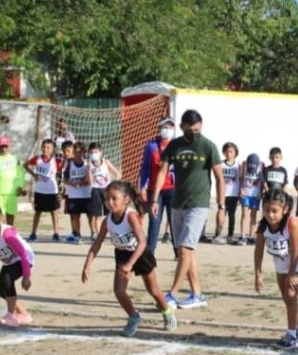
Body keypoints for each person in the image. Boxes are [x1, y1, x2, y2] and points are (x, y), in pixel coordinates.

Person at [148, 109, 225, 310]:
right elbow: (162, 172)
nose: (194, 134)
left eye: (198, 130)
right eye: (191, 130)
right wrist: (154, 199)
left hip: (198, 204)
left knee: (184, 250)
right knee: (188, 252)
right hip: (177, 204)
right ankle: (197, 294)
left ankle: (172, 294)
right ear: (182, 127)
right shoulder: (174, 145)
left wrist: (221, 206)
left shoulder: (208, 146)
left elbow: (219, 178)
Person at [83, 181, 175, 336]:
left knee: (153, 289)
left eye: (114, 198)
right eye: (107, 199)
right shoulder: (107, 221)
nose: (110, 202)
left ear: (125, 199)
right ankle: (133, 316)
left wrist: (131, 263)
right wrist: (87, 265)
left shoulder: (130, 216)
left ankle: (167, 311)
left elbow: (143, 242)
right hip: (122, 255)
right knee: (119, 291)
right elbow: (96, 244)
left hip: (140, 253)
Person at [253, 189, 298, 349]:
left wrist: (292, 274)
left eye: (274, 211)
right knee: (288, 298)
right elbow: (258, 250)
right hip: (281, 264)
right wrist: (258, 274)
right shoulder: (263, 226)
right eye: (266, 210)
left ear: (284, 209)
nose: (270, 215)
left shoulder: (293, 223)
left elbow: (295, 251)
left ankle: (291, 336)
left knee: (290, 295)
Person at [139, 117, 176, 254]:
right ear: (159, 129)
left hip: (172, 188)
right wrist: (142, 187)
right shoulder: (151, 146)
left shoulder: (177, 145)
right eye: (165, 127)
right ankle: (150, 252)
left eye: (170, 128)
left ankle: (178, 251)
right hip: (154, 190)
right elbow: (145, 168)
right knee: (154, 220)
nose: (168, 130)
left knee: (174, 221)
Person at [25, 139, 63, 242]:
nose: (45, 149)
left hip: (52, 191)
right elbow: (25, 165)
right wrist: (34, 175)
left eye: (48, 147)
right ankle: (33, 233)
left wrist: (61, 186)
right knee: (37, 212)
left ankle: (56, 233)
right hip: (40, 190)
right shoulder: (37, 159)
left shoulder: (56, 161)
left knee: (54, 212)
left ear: (53, 149)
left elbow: (62, 171)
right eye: (44, 147)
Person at [87, 142, 120, 241]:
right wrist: (89, 170)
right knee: (97, 215)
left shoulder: (106, 162)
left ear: (101, 152)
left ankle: (114, 233)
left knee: (111, 213)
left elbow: (118, 173)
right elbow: (90, 181)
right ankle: (98, 235)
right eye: (92, 152)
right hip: (95, 190)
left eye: (96, 152)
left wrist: (114, 184)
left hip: (106, 190)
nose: (94, 154)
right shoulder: (90, 165)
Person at [0, 136, 22, 226]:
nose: (3, 148)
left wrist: (20, 186)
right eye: (1, 146)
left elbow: (21, 174)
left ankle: (10, 231)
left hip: (12, 191)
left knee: (11, 213)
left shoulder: (15, 159)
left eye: (5, 146)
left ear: (9, 146)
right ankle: (0, 232)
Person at [62, 142, 92, 244]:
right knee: (75, 216)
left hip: (86, 194)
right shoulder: (69, 164)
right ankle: (77, 235)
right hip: (73, 195)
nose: (78, 154)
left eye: (80, 152)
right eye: (76, 151)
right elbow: (65, 179)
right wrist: (73, 183)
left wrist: (82, 182)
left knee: (90, 215)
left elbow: (90, 179)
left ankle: (93, 234)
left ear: (84, 152)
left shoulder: (87, 164)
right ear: (73, 152)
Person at [212, 142, 240, 245]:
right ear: (224, 152)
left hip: (233, 194)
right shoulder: (221, 164)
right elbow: (217, 180)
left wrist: (239, 193)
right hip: (223, 194)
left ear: (235, 153)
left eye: (231, 152)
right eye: (227, 152)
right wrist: (218, 194)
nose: (229, 154)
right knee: (221, 213)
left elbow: (240, 180)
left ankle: (230, 235)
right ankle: (218, 234)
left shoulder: (238, 166)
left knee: (232, 215)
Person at [237, 152, 263, 245]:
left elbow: (262, 181)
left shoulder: (262, 166)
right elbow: (240, 178)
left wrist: (260, 192)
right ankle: (243, 236)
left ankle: (251, 236)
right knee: (244, 214)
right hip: (246, 193)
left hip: (255, 195)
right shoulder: (244, 165)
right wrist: (240, 189)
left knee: (253, 215)